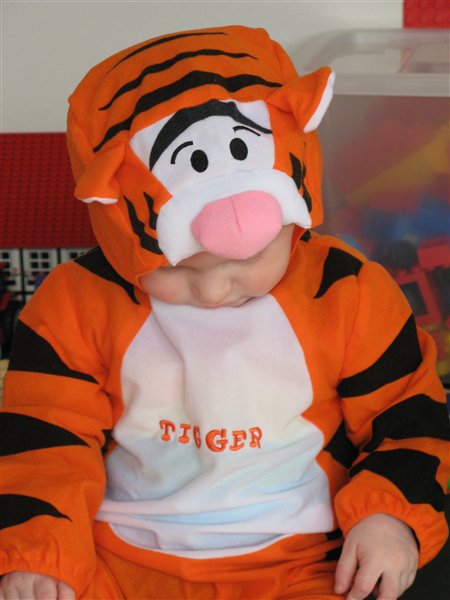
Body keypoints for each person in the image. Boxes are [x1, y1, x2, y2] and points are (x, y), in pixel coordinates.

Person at [1, 25, 449, 600]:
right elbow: (43, 435)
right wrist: (40, 552)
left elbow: (408, 417)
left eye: (249, 259)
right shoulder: (75, 302)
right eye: (175, 269)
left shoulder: (347, 290)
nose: (213, 293)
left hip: (304, 559)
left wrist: (389, 517)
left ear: (298, 209)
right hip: (117, 557)